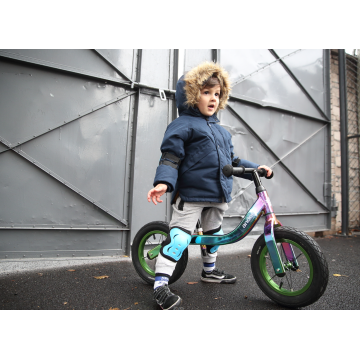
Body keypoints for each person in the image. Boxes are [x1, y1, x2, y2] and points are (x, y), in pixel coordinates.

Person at [147, 61, 272, 310]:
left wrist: (254, 169)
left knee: (213, 236)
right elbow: (171, 156)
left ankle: (209, 271)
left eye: (217, 94)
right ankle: (160, 286)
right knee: (179, 240)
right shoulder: (182, 125)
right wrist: (163, 182)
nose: (213, 98)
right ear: (192, 95)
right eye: (206, 93)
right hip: (192, 195)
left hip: (218, 194)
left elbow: (232, 161)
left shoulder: (222, 132)